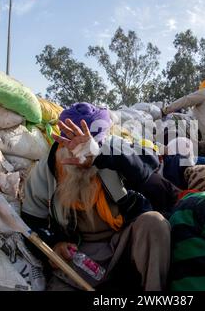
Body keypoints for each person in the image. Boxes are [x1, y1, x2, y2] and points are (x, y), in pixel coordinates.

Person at [21, 102, 171, 291]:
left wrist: (100, 156)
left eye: (87, 144)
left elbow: (152, 180)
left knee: (154, 222)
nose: (80, 154)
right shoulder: (48, 168)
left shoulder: (113, 150)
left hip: (123, 241)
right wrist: (54, 245)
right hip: (80, 252)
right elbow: (31, 221)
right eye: (73, 145)